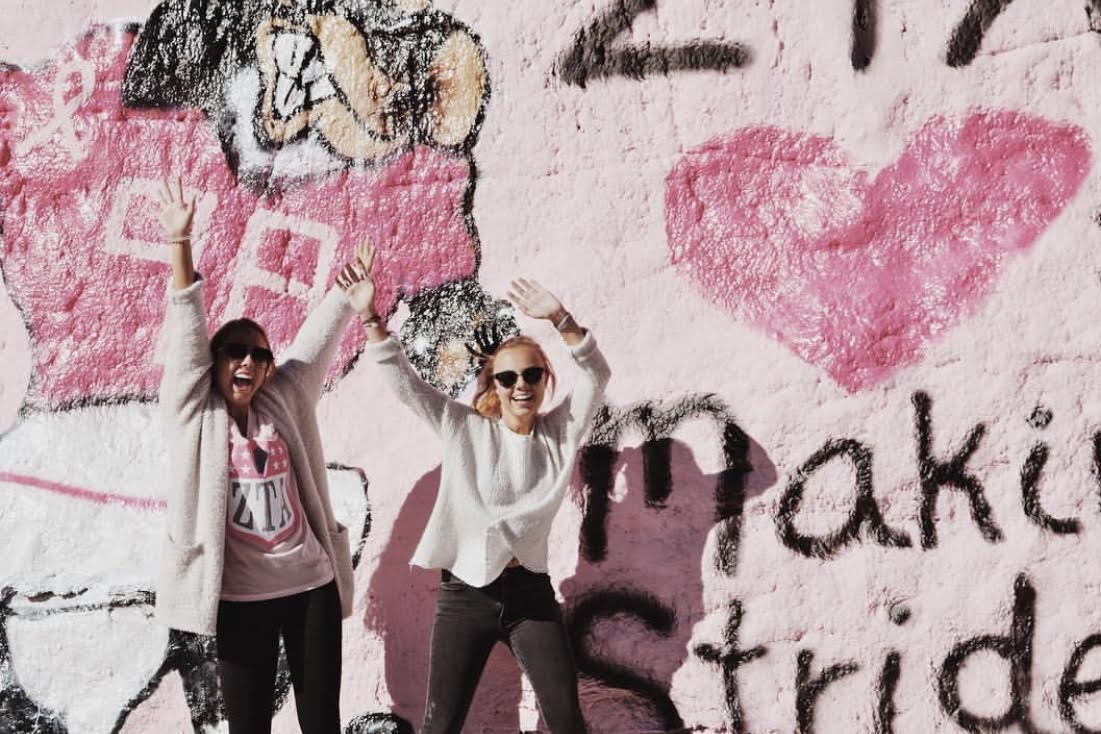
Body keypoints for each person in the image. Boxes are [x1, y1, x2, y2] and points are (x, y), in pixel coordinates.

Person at [336, 242, 611, 734]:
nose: (520, 385)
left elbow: (596, 374)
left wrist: (560, 318)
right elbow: (406, 385)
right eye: (508, 377)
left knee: (567, 721)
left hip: (530, 596)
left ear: (544, 380)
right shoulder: (466, 429)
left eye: (531, 374)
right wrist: (371, 318)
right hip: (465, 597)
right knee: (440, 726)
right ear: (495, 386)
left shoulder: (559, 432)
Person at [154, 178, 373, 734]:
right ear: (214, 362)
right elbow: (186, 332)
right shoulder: (194, 412)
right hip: (240, 598)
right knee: (248, 727)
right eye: (235, 352)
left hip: (311, 587)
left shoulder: (283, 399)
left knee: (321, 723)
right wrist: (180, 243)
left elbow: (314, 347)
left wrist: (345, 295)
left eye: (259, 355)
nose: (248, 362)